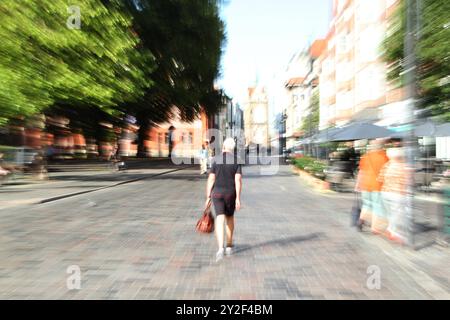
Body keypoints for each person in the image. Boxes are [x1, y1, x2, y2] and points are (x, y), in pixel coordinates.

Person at [205, 138, 242, 262]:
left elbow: (211, 179)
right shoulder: (236, 160)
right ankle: (229, 246)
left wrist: (208, 196)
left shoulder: (216, 159)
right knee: (229, 218)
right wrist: (238, 198)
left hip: (217, 194)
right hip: (230, 194)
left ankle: (220, 248)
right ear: (233, 148)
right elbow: (238, 180)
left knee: (219, 218)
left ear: (223, 147)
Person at [355, 139, 389, 234]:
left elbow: (361, 171)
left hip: (365, 185)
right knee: (377, 207)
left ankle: (360, 221)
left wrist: (358, 184)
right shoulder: (384, 156)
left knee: (367, 205)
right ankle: (375, 228)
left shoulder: (365, 156)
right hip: (377, 185)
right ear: (382, 146)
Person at [378, 143, 410, 244]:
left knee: (391, 214)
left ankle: (392, 230)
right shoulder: (405, 166)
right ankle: (395, 232)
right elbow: (409, 182)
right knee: (399, 214)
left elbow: (379, 179)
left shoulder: (387, 165)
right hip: (398, 194)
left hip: (385, 193)